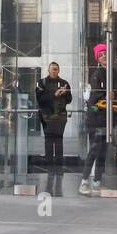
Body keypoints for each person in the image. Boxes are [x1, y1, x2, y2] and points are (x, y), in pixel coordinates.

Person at [35, 61, 72, 197]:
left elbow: (70, 99)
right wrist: (54, 95)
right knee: (49, 142)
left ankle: (59, 168)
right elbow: (40, 99)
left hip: (60, 117)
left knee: (59, 141)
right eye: (52, 69)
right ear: (48, 70)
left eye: (56, 69)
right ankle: (50, 167)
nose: (54, 71)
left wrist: (64, 93)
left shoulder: (64, 83)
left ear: (59, 70)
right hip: (47, 117)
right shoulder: (42, 82)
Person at [80, 43, 111, 195]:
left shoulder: (114, 72)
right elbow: (95, 96)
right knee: (94, 150)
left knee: (103, 152)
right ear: (98, 59)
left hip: (107, 119)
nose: (104, 56)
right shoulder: (96, 74)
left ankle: (97, 182)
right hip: (96, 119)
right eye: (101, 55)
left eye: (105, 53)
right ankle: (84, 181)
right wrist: (107, 96)